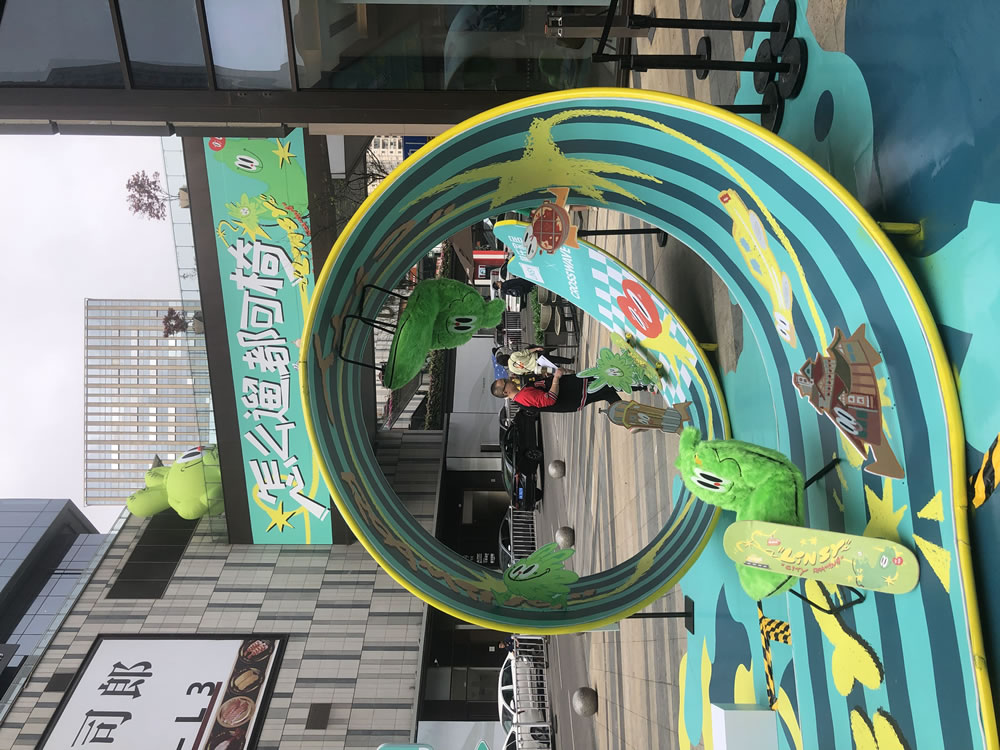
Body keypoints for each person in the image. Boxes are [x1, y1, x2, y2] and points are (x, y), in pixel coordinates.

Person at [492, 368, 639, 413]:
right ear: (505, 392)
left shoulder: (522, 395)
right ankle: (643, 386)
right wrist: (555, 379)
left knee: (607, 391)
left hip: (575, 392)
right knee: (607, 384)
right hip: (575, 394)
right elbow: (549, 399)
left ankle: (629, 418)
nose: (508, 380)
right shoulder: (523, 397)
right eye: (505, 382)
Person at [497, 346, 573, 375]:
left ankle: (568, 371)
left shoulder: (512, 369)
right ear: (505, 356)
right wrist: (536, 348)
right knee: (554, 359)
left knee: (553, 369)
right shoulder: (513, 356)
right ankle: (570, 361)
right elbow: (526, 352)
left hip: (537, 369)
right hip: (537, 358)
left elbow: (522, 373)